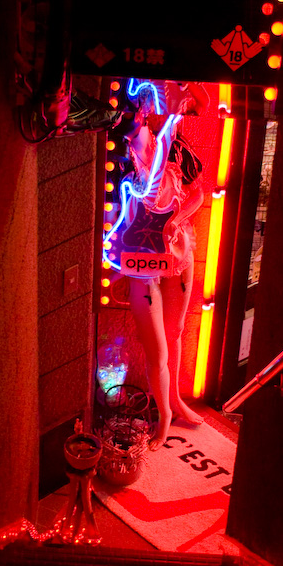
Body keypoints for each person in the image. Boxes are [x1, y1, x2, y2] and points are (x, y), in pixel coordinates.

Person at [118, 80, 210, 448]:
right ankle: (165, 416)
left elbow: (200, 191)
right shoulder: (137, 146)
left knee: (175, 333)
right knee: (156, 346)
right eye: (154, 103)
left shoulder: (182, 147)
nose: (163, 110)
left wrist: (177, 217)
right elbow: (140, 137)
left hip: (180, 249)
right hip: (144, 259)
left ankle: (174, 402)